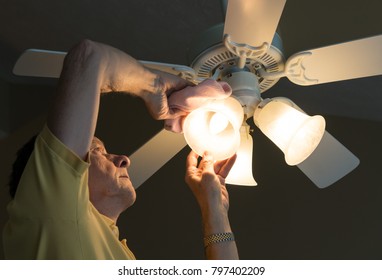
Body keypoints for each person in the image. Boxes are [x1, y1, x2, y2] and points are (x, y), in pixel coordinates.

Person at [3, 40, 239, 260]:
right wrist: (151, 85)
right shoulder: (50, 208)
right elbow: (88, 56)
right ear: (42, 179)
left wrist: (214, 211)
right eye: (98, 151)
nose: (124, 159)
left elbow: (91, 58)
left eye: (99, 152)